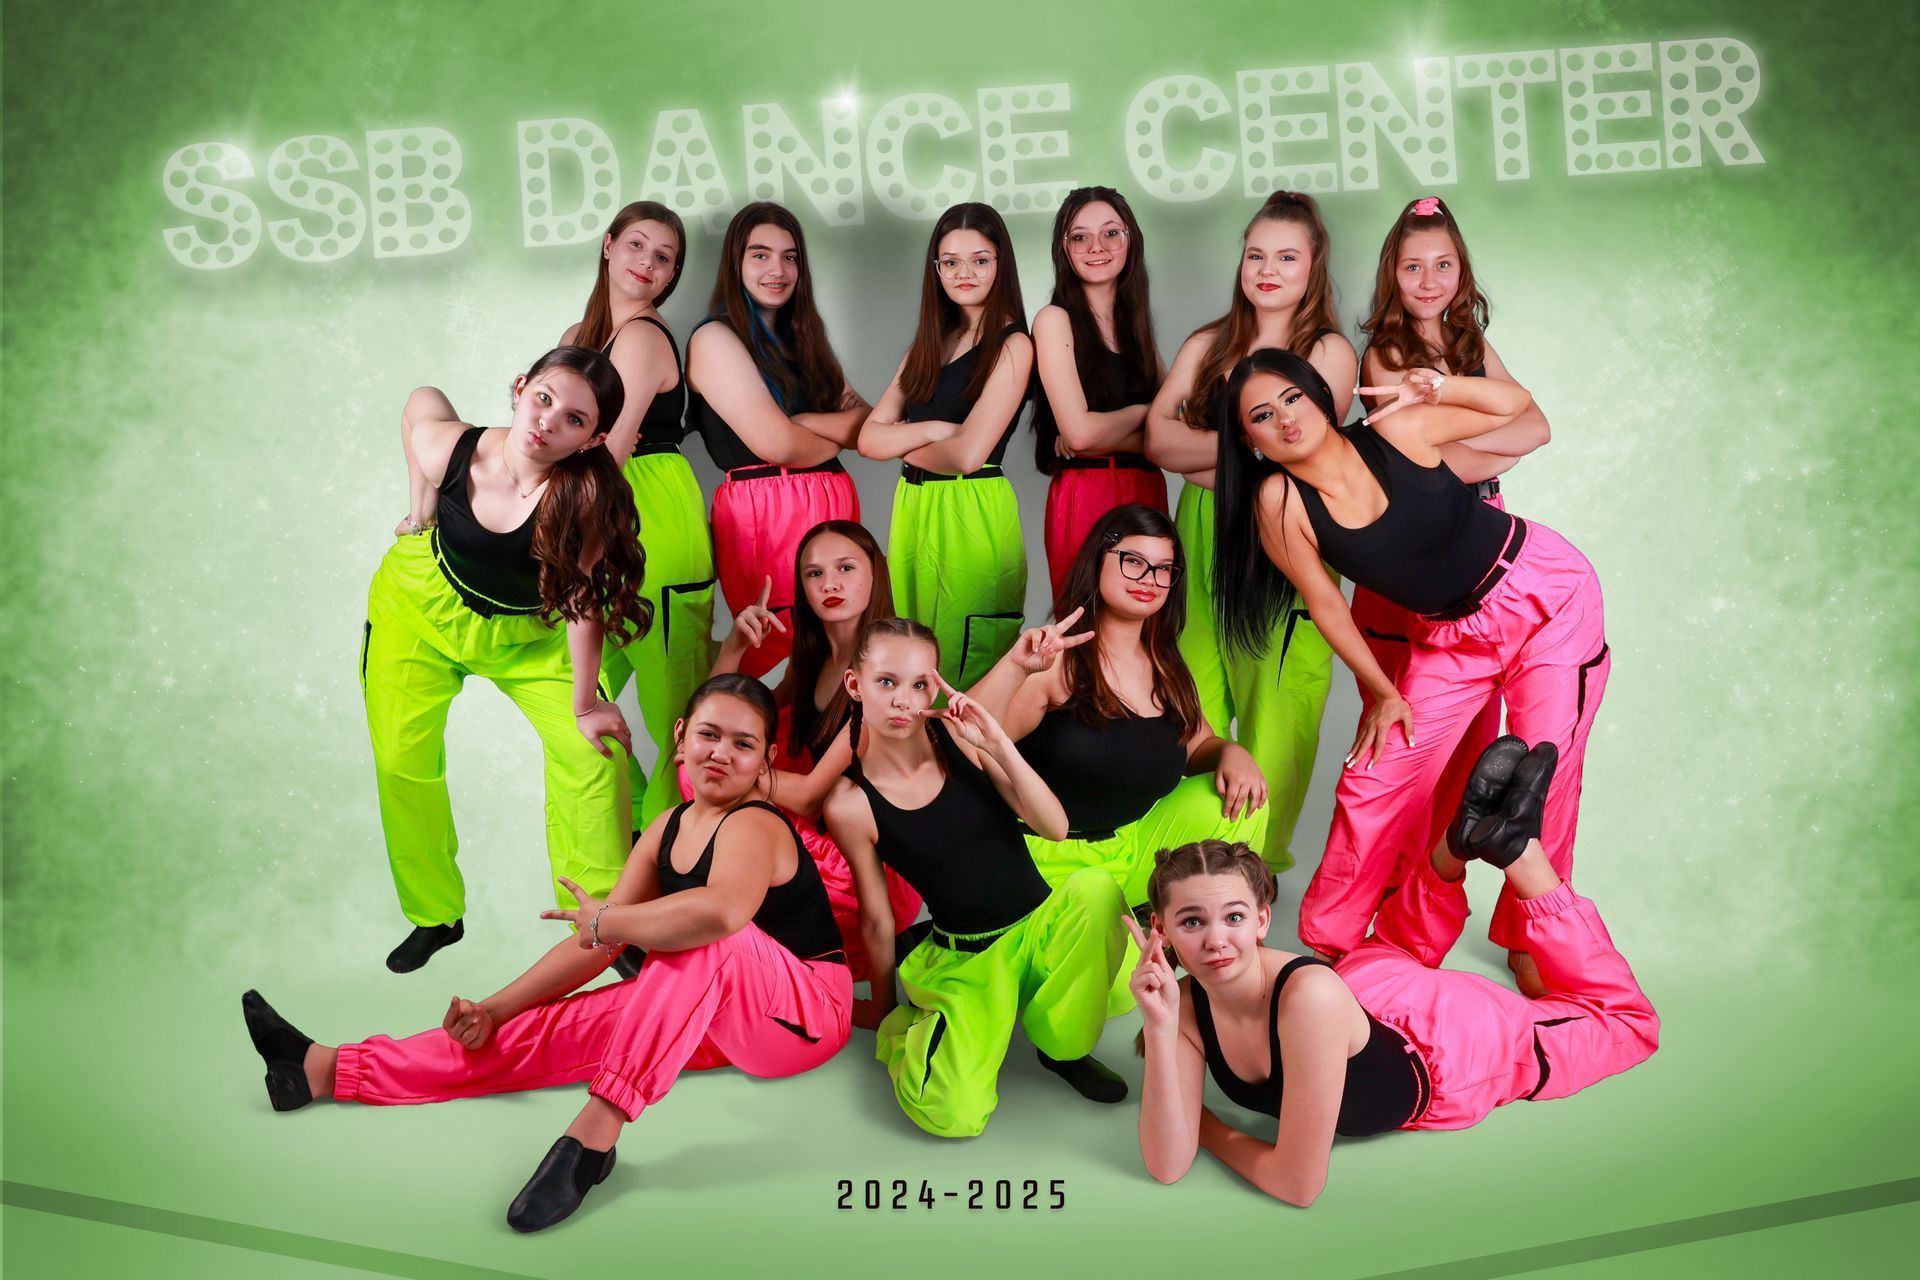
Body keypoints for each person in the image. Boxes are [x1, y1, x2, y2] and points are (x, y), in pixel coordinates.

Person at [243, 676, 851, 1232]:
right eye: (709, 734)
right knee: (538, 1031)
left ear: (767, 759)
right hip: (704, 1004)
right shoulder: (667, 827)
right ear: (681, 736)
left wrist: (608, 919)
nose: (721, 752)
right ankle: (326, 1070)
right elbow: (599, 944)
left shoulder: (756, 825)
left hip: (806, 1017)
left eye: (743, 744)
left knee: (703, 938)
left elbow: (719, 915)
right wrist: (494, 1010)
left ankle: (595, 1136)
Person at [1216, 349, 1610, 986]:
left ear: (1319, 395)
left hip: (1545, 594)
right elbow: (1326, 605)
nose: (1286, 420)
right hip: (1451, 636)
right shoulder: (1278, 500)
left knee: (1545, 771)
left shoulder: (1395, 430)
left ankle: (1533, 936)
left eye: (1293, 399)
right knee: (1374, 780)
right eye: (1263, 415)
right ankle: (1335, 945)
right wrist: (1382, 692)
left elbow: (1516, 406)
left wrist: (1438, 388)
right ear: (1248, 439)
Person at [1131, 738, 1658, 1205]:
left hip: (1448, 1044)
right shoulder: (1181, 1006)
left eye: (1235, 917)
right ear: (1161, 928)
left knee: (1628, 1026)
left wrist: (1210, 1128)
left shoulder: (1309, 996)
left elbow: (1297, 1184)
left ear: (1264, 918)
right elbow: (1167, 1165)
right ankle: (1459, 842)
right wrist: (1158, 1025)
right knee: (1398, 946)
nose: (1216, 940)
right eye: (1192, 921)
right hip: (1363, 980)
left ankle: (1520, 853)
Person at [369, 346, 650, 973]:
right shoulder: (454, 449)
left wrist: (585, 704)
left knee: (592, 755)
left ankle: (604, 923)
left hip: (534, 634)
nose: (549, 421)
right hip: (423, 611)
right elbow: (421, 405)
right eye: (544, 398)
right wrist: (419, 509)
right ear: (520, 389)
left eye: (575, 419)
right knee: (400, 757)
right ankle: (435, 914)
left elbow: (581, 597)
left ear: (592, 439)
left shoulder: (584, 497)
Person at [822, 618, 1130, 1137]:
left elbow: (1053, 827)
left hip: (1042, 929)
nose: (903, 700)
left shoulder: (955, 737)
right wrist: (882, 1007)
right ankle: (916, 1034)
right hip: (970, 960)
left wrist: (995, 743)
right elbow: (875, 917)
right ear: (856, 685)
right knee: (953, 1118)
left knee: (1097, 888)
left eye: (920, 684)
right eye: (887, 682)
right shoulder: (850, 804)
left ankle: (1063, 1051)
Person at [1143, 190, 1354, 871]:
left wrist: (1211, 450)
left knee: (1277, 710)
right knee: (1189, 698)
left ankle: (1249, 874)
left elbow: (1300, 452)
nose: (1268, 269)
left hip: (1280, 538)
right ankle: (1186, 871)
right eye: (1256, 254)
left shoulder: (1327, 351)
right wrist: (1246, 449)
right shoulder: (1208, 343)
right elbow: (1156, 440)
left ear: (1313, 264)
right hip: (1198, 537)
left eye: (1286, 256)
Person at [1351, 195, 1553, 889]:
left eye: (1443, 264)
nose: (1429, 280)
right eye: (1413, 267)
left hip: (1483, 562)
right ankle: (1378, 902)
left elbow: (1537, 429)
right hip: (1412, 562)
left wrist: (1456, 434)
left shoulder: (1470, 346)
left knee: (1476, 745)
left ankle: (1434, 900)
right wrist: (1484, 444)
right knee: (1405, 744)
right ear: (1392, 273)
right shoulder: (1384, 353)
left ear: (1461, 271)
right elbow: (1417, 472)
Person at [967, 505, 1271, 915]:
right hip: (1049, 861)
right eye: (1134, 562)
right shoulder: (1057, 661)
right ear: (1098, 562)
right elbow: (965, 740)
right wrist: (1015, 666)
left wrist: (1232, 752)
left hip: (1130, 848)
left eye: (1164, 569)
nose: (1149, 579)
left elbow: (1198, 747)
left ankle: (1188, 919)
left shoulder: (1168, 665)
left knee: (1242, 800)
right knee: (1119, 979)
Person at [706, 520, 923, 986]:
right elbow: (721, 721)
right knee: (705, 769)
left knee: (722, 780)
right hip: (819, 842)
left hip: (867, 868)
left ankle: (713, 939)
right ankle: (696, 931)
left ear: (875, 575)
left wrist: (733, 768)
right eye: (814, 574)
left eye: (846, 568)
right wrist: (734, 648)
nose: (830, 584)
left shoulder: (882, 674)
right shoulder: (813, 659)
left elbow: (806, 797)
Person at [561, 200, 717, 835]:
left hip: (648, 514)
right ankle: (617, 857)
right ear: (607, 245)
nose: (647, 264)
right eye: (637, 246)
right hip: (598, 521)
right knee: (575, 695)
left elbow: (608, 457)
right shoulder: (579, 337)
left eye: (665, 257)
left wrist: (566, 548)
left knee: (675, 718)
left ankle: (674, 871)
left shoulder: (645, 337)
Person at [687, 201, 868, 678]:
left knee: (835, 655)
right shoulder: (715, 338)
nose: (778, 269)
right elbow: (778, 445)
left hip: (829, 507)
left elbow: (868, 423)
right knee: (770, 648)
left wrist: (805, 421)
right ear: (736, 262)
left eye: (790, 257)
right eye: (761, 255)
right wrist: (830, 433)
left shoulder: (805, 337)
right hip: (766, 514)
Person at [858, 202, 1032, 689]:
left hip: (971, 507)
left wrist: (901, 442)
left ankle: (971, 767)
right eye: (950, 262)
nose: (965, 273)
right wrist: (935, 431)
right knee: (913, 661)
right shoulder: (930, 343)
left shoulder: (1014, 344)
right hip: (913, 507)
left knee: (965, 671)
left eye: (980, 259)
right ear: (935, 269)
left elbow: (966, 456)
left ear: (1002, 264)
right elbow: (868, 439)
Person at [1030, 186, 1166, 605]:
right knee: (1087, 627)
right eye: (1079, 236)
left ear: (1131, 241)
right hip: (1088, 492)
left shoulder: (1138, 325)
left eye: (1111, 233)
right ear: (1063, 248)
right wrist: (1148, 414)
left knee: (1149, 632)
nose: (1096, 247)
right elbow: (1082, 434)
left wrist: (1118, 430)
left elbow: (1178, 427)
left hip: (1147, 488)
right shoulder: (1054, 320)